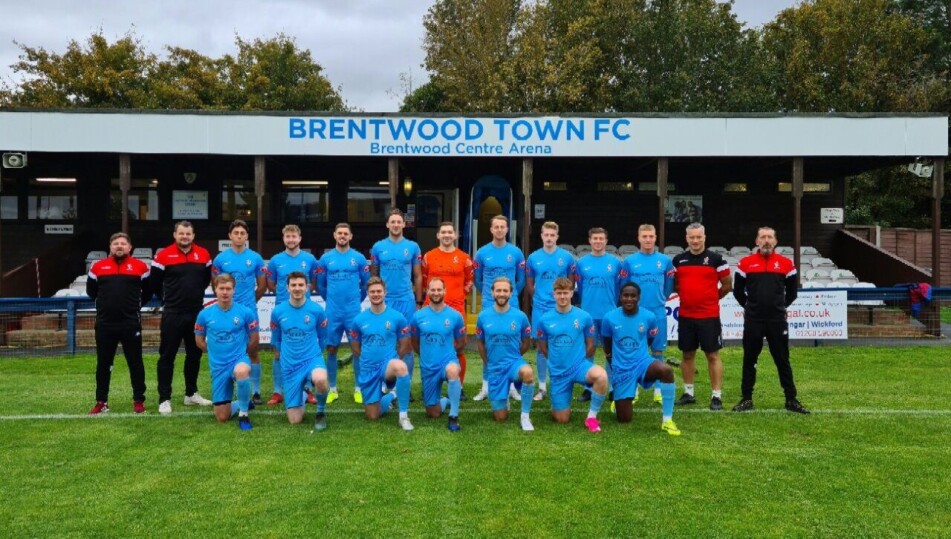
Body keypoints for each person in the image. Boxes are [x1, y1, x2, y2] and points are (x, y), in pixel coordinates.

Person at [732, 227, 810, 414]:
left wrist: (779, 308)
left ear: (775, 241)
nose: (766, 240)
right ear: (757, 241)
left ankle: (791, 399)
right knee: (749, 359)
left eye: (770, 237)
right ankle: (746, 398)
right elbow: (738, 292)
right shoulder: (745, 263)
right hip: (754, 321)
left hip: (777, 321)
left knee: (782, 359)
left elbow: (792, 293)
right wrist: (750, 307)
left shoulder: (786, 264)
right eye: (763, 237)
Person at [601, 282, 681, 436]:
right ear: (620, 297)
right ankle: (620, 400)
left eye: (633, 296)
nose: (629, 299)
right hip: (622, 369)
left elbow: (650, 339)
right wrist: (614, 363)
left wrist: (641, 355)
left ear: (638, 298)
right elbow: (607, 344)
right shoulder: (609, 318)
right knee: (624, 419)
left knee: (666, 370)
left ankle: (667, 420)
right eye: (626, 295)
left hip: (642, 363)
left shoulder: (649, 316)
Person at [151, 220, 213, 415]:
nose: (185, 237)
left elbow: (205, 279)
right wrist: (168, 300)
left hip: (196, 312)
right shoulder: (163, 256)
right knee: (167, 356)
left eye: (188, 234)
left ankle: (191, 394)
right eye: (181, 233)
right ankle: (164, 399)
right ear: (175, 235)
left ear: (193, 236)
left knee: (194, 354)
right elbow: (154, 283)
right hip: (173, 313)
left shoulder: (203, 254)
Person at [86, 232, 151, 415]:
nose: (119, 246)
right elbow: (91, 292)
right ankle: (101, 401)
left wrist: (133, 307)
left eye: (123, 243)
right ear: (110, 247)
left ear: (130, 247)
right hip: (105, 324)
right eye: (116, 243)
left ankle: (138, 400)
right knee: (103, 364)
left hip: (130, 323)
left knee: (135, 362)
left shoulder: (141, 267)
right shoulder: (97, 267)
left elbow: (147, 292)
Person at [536, 277, 609, 432]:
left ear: (571, 293)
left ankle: (591, 418)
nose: (562, 296)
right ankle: (557, 403)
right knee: (561, 420)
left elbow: (591, 344)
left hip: (579, 367)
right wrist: (556, 361)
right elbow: (542, 346)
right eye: (559, 293)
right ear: (554, 294)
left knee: (601, 376)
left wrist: (580, 361)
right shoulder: (544, 319)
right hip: (558, 372)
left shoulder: (584, 316)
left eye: (565, 293)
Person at [671, 222, 731, 411]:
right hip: (686, 316)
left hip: (709, 316)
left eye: (698, 237)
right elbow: (676, 286)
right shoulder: (678, 261)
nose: (695, 241)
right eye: (692, 237)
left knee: (712, 355)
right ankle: (688, 393)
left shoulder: (717, 259)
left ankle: (716, 396)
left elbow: (727, 285)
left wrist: (711, 299)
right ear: (686, 238)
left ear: (704, 237)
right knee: (687, 355)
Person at [212, 219, 267, 404]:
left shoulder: (256, 258)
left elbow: (262, 286)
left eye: (242, 233)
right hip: (227, 311)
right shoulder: (220, 259)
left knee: (253, 349)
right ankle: (230, 385)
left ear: (247, 236)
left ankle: (256, 391)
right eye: (236, 233)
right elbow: (216, 284)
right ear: (230, 236)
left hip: (249, 311)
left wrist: (249, 303)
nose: (239, 236)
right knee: (228, 348)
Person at [349, 277, 414, 431]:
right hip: (368, 369)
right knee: (373, 416)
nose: (376, 294)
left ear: (385, 292)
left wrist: (395, 360)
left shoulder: (397, 317)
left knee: (400, 367)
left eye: (379, 291)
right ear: (367, 294)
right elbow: (355, 346)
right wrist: (366, 359)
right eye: (372, 292)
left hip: (387, 365)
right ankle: (392, 395)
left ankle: (403, 417)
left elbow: (405, 343)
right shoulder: (359, 319)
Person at [194, 274, 259, 431]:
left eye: (228, 289)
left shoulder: (245, 312)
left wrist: (243, 354)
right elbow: (199, 341)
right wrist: (214, 353)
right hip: (218, 367)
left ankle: (243, 414)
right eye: (221, 288)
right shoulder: (204, 314)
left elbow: (254, 339)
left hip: (238, 360)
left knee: (242, 371)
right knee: (222, 417)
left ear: (233, 290)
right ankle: (242, 403)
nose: (225, 292)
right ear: (215, 290)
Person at [620, 224, 676, 404]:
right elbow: (624, 287)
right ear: (638, 238)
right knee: (634, 351)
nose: (648, 239)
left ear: (655, 237)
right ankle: (633, 389)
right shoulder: (629, 262)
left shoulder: (665, 261)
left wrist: (661, 299)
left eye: (651, 236)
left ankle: (658, 390)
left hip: (657, 313)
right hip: (635, 314)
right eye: (644, 236)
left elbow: (669, 286)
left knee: (657, 351)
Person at [369, 209, 423, 394]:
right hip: (386, 301)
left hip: (406, 300)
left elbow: (418, 275)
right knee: (384, 340)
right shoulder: (378, 247)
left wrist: (419, 301)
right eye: (392, 221)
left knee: (406, 343)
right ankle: (386, 383)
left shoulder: (413, 247)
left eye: (399, 222)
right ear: (387, 224)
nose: (396, 225)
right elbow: (374, 276)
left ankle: (404, 386)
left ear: (404, 224)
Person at [270, 271, 332, 429]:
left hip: (311, 360)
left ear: (307, 287)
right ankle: (304, 392)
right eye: (293, 285)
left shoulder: (316, 310)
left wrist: (316, 355)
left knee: (320, 379)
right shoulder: (278, 311)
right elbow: (276, 339)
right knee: (295, 420)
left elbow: (323, 337)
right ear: (287, 288)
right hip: (290, 365)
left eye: (300, 285)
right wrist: (281, 356)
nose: (297, 288)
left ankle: (320, 412)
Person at [265, 224, 319, 406]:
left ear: (299, 238)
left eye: (294, 236)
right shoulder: (275, 260)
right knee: (278, 351)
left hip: (305, 311)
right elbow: (271, 284)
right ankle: (277, 391)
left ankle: (308, 389)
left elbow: (313, 282)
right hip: (282, 311)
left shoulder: (310, 259)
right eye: (288, 236)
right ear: (283, 239)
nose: (291, 240)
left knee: (308, 352)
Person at [472, 215, 525, 401]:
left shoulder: (516, 252)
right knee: (489, 345)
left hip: (512, 304)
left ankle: (511, 386)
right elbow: (477, 280)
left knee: (511, 344)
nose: (500, 230)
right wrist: (492, 296)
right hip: (489, 303)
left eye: (503, 227)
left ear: (507, 229)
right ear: (491, 229)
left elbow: (521, 280)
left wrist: (509, 296)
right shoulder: (482, 253)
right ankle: (486, 386)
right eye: (496, 227)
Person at [317, 223, 370, 405]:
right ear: (334, 235)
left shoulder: (359, 258)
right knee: (331, 348)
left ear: (350, 236)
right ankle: (332, 389)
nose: (342, 236)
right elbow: (321, 285)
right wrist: (332, 300)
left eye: (345, 233)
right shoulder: (325, 259)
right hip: (333, 312)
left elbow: (366, 285)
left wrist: (355, 301)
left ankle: (358, 389)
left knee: (357, 349)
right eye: (339, 233)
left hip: (353, 312)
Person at [475, 277, 536, 431]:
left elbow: (526, 341)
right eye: (498, 290)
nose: (501, 293)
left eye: (505, 290)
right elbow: (480, 343)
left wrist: (516, 357)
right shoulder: (483, 316)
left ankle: (525, 417)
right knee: (500, 418)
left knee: (528, 372)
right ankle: (505, 395)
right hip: (495, 368)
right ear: (492, 292)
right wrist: (489, 363)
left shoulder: (520, 316)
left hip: (514, 364)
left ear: (510, 293)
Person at [420, 221, 474, 396]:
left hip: (456, 308)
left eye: (450, 232)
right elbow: (424, 280)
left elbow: (470, 281)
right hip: (432, 308)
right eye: (443, 232)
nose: (447, 235)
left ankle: (459, 386)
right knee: (430, 345)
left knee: (459, 347)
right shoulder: (429, 256)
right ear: (438, 235)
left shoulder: (464, 258)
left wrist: (458, 295)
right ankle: (430, 384)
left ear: (455, 235)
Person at [524, 221, 575, 401]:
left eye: (552, 235)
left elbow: (571, 283)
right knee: (541, 347)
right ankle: (542, 387)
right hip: (541, 309)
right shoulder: (533, 258)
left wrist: (562, 301)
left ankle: (562, 382)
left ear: (557, 237)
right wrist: (539, 298)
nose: (549, 238)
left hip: (560, 308)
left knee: (562, 344)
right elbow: (529, 284)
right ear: (541, 236)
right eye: (546, 235)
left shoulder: (567, 257)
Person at [571, 227, 622, 401]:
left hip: (609, 315)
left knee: (611, 352)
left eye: (601, 238)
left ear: (606, 241)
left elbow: (618, 288)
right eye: (595, 238)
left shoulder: (615, 263)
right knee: (588, 351)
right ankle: (589, 387)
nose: (598, 241)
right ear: (590, 240)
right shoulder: (581, 263)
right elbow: (580, 288)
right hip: (588, 315)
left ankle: (613, 387)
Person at [410, 278, 467, 432]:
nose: (436, 293)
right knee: (432, 413)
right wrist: (426, 355)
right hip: (428, 367)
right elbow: (414, 342)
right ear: (427, 291)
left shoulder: (455, 316)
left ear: (444, 291)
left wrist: (450, 355)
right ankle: (446, 400)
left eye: (439, 290)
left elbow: (461, 342)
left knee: (453, 370)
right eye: (433, 290)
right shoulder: (418, 316)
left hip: (447, 363)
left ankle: (453, 416)